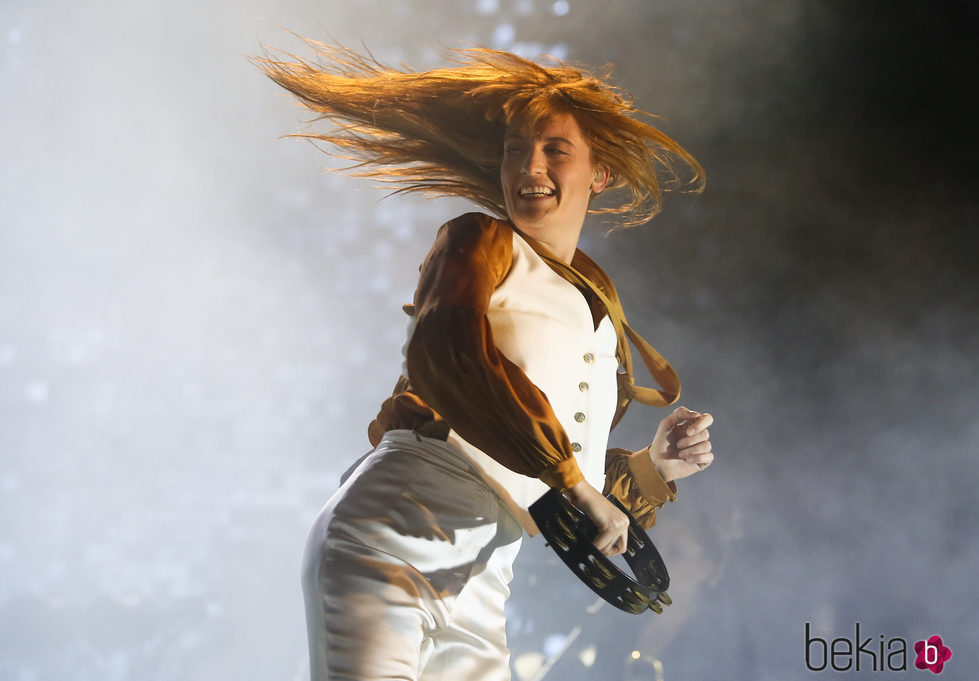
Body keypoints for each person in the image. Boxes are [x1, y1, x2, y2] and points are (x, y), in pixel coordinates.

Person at [255, 41, 714, 681]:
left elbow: (556, 485)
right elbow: (448, 349)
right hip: (390, 536)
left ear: (599, 172)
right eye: (515, 149)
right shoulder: (478, 240)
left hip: (479, 580)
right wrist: (576, 484)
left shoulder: (599, 306)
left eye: (555, 148)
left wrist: (653, 466)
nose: (530, 164)